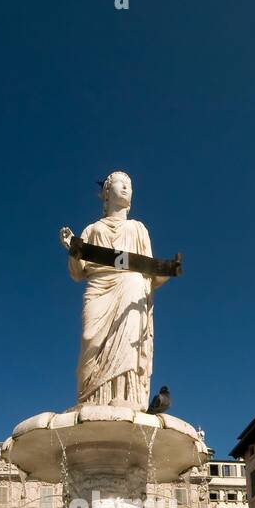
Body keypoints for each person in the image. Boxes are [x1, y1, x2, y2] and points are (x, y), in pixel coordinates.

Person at [60, 172, 174, 410]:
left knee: (129, 338)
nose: (126, 189)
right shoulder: (92, 229)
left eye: (130, 186)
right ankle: (90, 398)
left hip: (131, 287)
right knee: (90, 338)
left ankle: (127, 397)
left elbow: (151, 272)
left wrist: (167, 270)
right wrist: (73, 249)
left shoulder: (138, 228)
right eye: (121, 184)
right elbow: (77, 272)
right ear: (107, 192)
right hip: (99, 288)